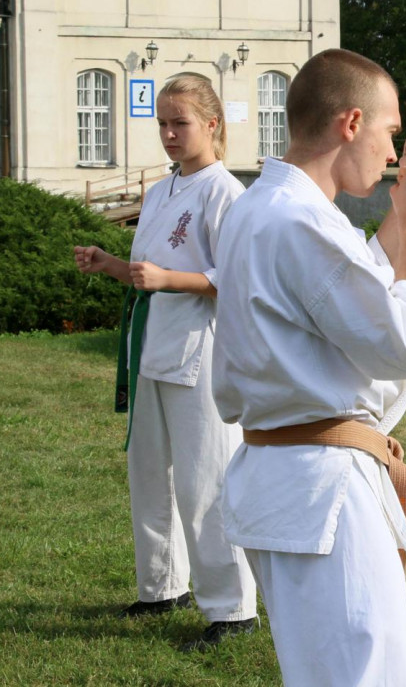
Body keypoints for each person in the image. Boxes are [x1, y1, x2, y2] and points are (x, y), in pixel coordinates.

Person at [211, 48, 406, 687]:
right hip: (323, 489)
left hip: (288, 478)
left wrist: (404, 208)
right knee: (361, 675)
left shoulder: (262, 208)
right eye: (390, 130)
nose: (394, 150)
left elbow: (348, 290)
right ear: (350, 123)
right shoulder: (300, 218)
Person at [73, 74, 258, 652]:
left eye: (180, 123)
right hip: (150, 343)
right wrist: (107, 262)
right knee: (150, 475)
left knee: (205, 480)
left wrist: (171, 280)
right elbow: (143, 274)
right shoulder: (159, 191)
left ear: (212, 124)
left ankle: (233, 608)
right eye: (162, 124)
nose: (169, 134)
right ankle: (161, 586)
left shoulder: (225, 193)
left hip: (200, 351)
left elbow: (240, 281)